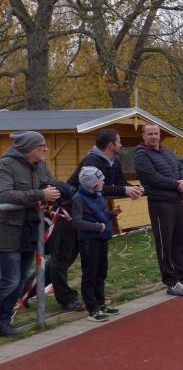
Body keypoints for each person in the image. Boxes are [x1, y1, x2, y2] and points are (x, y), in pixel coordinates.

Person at [47, 128, 143, 311]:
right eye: (119, 141)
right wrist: (124, 190)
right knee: (62, 259)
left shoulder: (114, 161)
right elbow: (96, 188)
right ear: (111, 145)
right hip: (69, 213)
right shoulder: (91, 161)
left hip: (92, 215)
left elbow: (120, 183)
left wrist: (134, 189)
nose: (121, 144)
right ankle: (66, 299)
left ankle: (27, 287)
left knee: (89, 263)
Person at [0, 131, 61, 336]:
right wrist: (40, 194)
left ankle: (4, 321)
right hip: (7, 231)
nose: (46, 149)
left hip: (31, 230)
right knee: (9, 280)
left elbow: (50, 183)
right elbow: (4, 195)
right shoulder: (6, 165)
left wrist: (59, 192)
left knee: (20, 280)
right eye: (42, 146)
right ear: (29, 149)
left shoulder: (40, 165)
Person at [134, 124, 183, 296]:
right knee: (165, 243)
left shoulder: (167, 152)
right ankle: (171, 282)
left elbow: (180, 168)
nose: (154, 137)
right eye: (150, 134)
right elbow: (152, 177)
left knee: (180, 240)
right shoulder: (141, 156)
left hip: (176, 201)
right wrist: (175, 184)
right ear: (143, 136)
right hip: (160, 203)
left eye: (156, 133)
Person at [71, 167, 122, 322]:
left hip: (102, 239)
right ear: (93, 184)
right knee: (90, 275)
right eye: (101, 181)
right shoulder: (79, 199)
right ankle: (92, 309)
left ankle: (100, 303)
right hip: (89, 241)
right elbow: (77, 222)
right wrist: (97, 227)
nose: (103, 183)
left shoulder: (98, 194)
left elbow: (100, 214)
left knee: (101, 272)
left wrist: (112, 213)